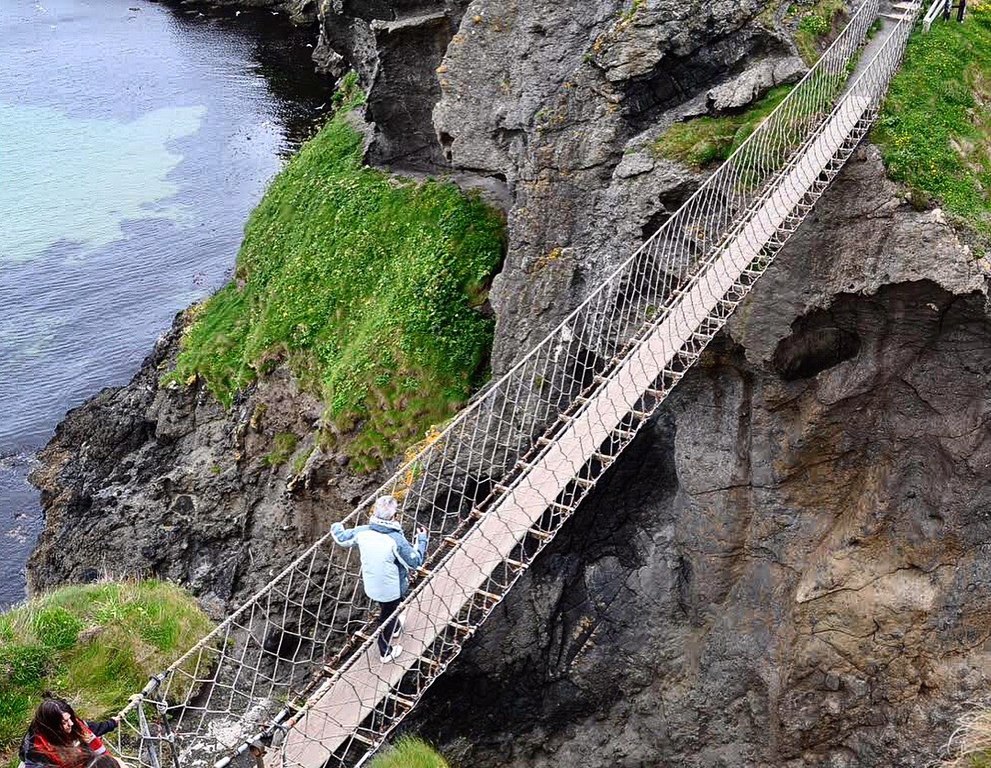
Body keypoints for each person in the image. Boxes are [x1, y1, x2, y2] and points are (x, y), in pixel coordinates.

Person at [331, 495, 428, 663]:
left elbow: (341, 538)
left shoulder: (362, 531)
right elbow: (415, 562)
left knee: (387, 609)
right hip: (391, 589)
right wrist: (422, 540)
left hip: (372, 585)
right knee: (387, 617)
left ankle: (396, 627)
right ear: (394, 517)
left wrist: (336, 526)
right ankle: (385, 651)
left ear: (374, 512)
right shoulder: (395, 540)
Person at [20, 695, 119, 768]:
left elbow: (91, 728)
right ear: (52, 727)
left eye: (70, 718)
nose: (71, 723)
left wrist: (111, 723)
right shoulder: (36, 749)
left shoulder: (74, 725)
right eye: (64, 722)